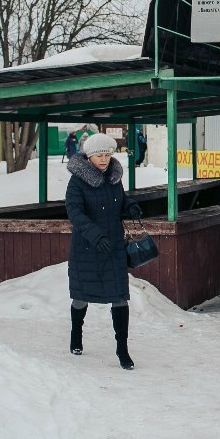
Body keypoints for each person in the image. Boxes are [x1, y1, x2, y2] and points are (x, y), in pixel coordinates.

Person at [65, 133, 143, 370]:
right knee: (80, 296)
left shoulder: (114, 178)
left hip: (113, 248)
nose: (104, 159)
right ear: (89, 156)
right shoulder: (77, 182)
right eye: (100, 155)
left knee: (120, 297)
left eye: (108, 154)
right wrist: (95, 235)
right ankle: (76, 334)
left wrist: (131, 206)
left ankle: (122, 349)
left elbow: (121, 200)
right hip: (87, 248)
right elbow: (74, 212)